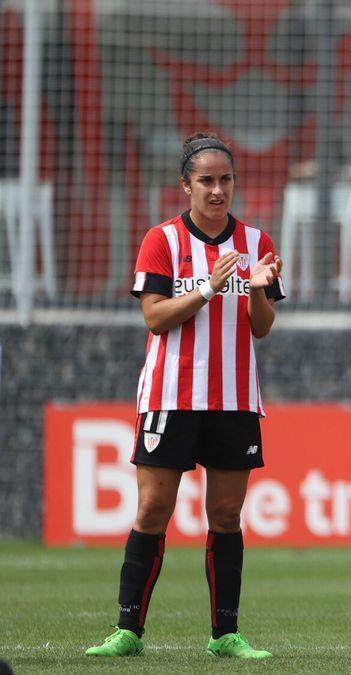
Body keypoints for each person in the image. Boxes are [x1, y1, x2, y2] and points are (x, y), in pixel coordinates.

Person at [85, 132, 284, 659]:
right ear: (186, 185)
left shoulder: (257, 242)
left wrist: (258, 287)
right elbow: (154, 316)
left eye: (226, 180)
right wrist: (206, 289)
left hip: (234, 397)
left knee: (225, 514)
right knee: (153, 507)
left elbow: (261, 327)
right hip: (170, 393)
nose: (218, 191)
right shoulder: (162, 241)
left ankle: (225, 635)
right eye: (207, 181)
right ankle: (128, 630)